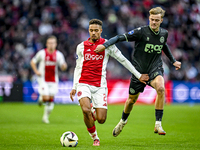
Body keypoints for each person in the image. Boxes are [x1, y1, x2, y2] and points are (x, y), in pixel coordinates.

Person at [94, 7, 181, 136]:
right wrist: (105, 45)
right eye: (151, 19)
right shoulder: (141, 32)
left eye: (157, 20)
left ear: (161, 20)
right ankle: (123, 121)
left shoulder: (164, 33)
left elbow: (164, 45)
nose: (154, 22)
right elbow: (120, 37)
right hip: (138, 72)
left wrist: (173, 60)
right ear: (149, 19)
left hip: (155, 69)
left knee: (161, 89)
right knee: (131, 101)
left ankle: (158, 124)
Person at [70, 19, 149, 146]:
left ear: (101, 31)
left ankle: (92, 112)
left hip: (100, 86)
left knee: (101, 119)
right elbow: (77, 67)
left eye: (96, 30)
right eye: (91, 30)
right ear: (88, 31)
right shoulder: (81, 46)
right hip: (83, 84)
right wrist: (74, 86)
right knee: (85, 109)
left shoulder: (108, 45)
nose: (93, 33)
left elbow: (123, 60)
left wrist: (138, 75)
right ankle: (95, 137)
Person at [30, 35, 67, 124]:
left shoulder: (59, 55)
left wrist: (64, 67)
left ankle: (45, 117)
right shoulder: (42, 53)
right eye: (49, 43)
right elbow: (32, 62)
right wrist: (36, 71)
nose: (51, 45)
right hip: (43, 79)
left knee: (50, 100)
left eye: (53, 43)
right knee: (46, 97)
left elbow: (63, 66)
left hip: (54, 80)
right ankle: (42, 97)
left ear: (56, 44)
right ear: (47, 44)